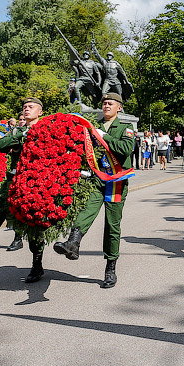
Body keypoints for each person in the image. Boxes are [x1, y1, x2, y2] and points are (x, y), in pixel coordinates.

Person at [53, 93, 136, 289]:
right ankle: (73, 244)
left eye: (110, 103)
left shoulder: (125, 127)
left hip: (116, 181)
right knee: (86, 211)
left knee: (112, 226)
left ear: (119, 108)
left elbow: (125, 148)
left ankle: (110, 267)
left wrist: (104, 136)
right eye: (104, 103)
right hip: (96, 180)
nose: (106, 106)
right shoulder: (92, 126)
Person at [0, 97, 44, 260]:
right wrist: (18, 135)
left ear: (39, 112)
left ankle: (37, 262)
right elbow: (1, 145)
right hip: (15, 177)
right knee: (1, 205)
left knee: (34, 224)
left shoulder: (45, 129)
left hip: (36, 182)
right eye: (25, 107)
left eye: (30, 107)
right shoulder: (17, 131)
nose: (26, 109)